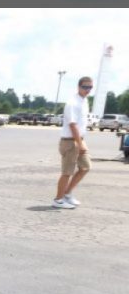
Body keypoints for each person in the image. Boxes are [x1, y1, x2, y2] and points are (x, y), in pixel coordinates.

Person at [53, 76, 93, 209]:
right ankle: (58, 200)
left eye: (90, 87)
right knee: (67, 172)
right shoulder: (72, 102)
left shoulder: (85, 101)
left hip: (79, 139)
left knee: (85, 167)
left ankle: (67, 193)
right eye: (85, 87)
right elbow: (72, 125)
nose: (87, 90)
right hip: (70, 141)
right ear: (78, 87)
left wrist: (81, 142)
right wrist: (79, 144)